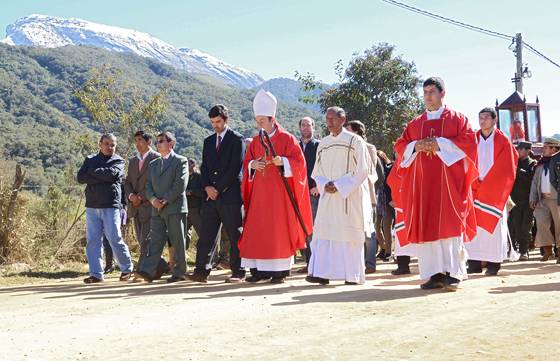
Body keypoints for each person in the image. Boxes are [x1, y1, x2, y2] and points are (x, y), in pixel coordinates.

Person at [390, 77, 478, 291]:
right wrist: (415, 146)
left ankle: (454, 273)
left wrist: (439, 144)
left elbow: (469, 142)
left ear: (442, 94)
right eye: (425, 92)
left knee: (449, 226)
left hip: (449, 185)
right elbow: (400, 146)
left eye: (432, 92)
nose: (428, 96)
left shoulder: (458, 119)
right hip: (422, 186)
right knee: (427, 225)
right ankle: (434, 273)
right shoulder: (415, 123)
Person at [238, 89, 313, 284]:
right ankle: (258, 269)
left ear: (272, 119)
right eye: (257, 120)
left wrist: (285, 162)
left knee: (277, 231)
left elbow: (300, 164)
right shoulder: (255, 141)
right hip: (259, 196)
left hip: (280, 196)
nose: (259, 124)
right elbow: (247, 163)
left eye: (262, 120)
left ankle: (278, 271)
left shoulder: (287, 139)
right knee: (257, 230)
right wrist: (252, 165)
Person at [305, 108, 373, 285]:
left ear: (342, 119)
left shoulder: (355, 141)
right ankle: (322, 273)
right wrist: (324, 184)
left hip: (348, 197)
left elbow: (363, 170)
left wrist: (340, 184)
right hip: (328, 197)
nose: (329, 122)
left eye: (333, 118)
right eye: (327, 118)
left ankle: (352, 276)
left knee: (348, 236)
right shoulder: (324, 143)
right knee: (325, 234)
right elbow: (317, 172)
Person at [188, 104, 246, 283]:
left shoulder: (237, 139)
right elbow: (204, 167)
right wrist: (207, 187)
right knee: (206, 236)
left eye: (218, 122)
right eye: (212, 122)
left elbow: (235, 168)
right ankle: (201, 272)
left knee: (235, 234)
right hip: (210, 197)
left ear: (226, 120)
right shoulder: (208, 141)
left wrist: (218, 189)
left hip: (230, 196)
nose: (215, 125)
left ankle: (238, 271)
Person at [465, 108, 518, 276]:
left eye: (487, 118)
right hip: (474, 189)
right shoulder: (473, 139)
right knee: (473, 226)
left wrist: (489, 183)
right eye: (480, 118)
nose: (482, 121)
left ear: (494, 120)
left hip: (495, 190)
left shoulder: (503, 140)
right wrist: (474, 181)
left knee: (494, 229)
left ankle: (494, 264)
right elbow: (465, 161)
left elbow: (508, 165)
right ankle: (474, 263)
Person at [77, 133, 133, 284]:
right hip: (92, 206)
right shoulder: (90, 159)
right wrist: (101, 173)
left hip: (111, 205)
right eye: (107, 144)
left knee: (114, 238)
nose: (110, 147)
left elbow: (112, 174)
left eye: (113, 145)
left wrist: (92, 172)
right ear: (100, 144)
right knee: (93, 241)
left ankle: (126, 269)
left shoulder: (118, 161)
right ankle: (96, 274)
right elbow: (81, 177)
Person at [136, 132, 189, 283]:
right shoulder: (153, 164)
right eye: (157, 141)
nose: (158, 144)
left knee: (177, 240)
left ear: (171, 143)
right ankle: (147, 271)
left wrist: (165, 200)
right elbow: (148, 186)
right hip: (156, 208)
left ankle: (179, 272)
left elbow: (180, 184)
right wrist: (153, 200)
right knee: (155, 240)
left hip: (174, 207)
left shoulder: (180, 161)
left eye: (161, 141)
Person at [124, 130, 170, 280]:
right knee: (141, 239)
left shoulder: (156, 158)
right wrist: (131, 196)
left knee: (146, 240)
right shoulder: (132, 160)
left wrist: (141, 197)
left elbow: (156, 183)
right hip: (135, 207)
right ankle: (162, 265)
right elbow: (128, 182)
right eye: (135, 140)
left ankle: (142, 271)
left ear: (149, 142)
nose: (137, 143)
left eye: (140, 140)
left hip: (150, 205)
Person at [345, 120, 380, 274]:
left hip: (367, 195)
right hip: (349, 195)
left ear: (357, 131)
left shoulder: (369, 148)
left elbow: (371, 171)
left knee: (369, 231)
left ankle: (370, 263)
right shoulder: (345, 147)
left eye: (348, 129)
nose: (345, 132)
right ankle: (355, 263)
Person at [529, 137, 560, 262]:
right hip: (542, 199)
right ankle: (548, 251)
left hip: (556, 199)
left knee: (559, 225)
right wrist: (533, 198)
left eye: (546, 147)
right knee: (541, 223)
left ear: (553, 149)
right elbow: (535, 182)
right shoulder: (540, 164)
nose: (543, 149)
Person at [298, 116, 320, 272]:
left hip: (313, 193)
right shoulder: (294, 146)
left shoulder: (319, 146)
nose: (306, 128)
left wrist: (317, 186)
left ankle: (315, 263)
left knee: (312, 228)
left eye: (309, 125)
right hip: (297, 193)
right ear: (299, 128)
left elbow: (323, 167)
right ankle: (307, 262)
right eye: (303, 125)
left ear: (313, 127)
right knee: (301, 228)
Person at [508, 141, 537, 260]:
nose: (519, 151)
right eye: (518, 149)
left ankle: (524, 251)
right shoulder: (513, 162)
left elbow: (532, 181)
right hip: (514, 200)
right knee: (514, 225)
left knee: (526, 226)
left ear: (528, 150)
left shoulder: (532, 164)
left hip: (527, 200)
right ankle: (513, 249)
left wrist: (518, 171)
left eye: (521, 149)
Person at [185, 158, 204, 252]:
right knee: (183, 234)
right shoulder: (183, 176)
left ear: (193, 165)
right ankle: (182, 257)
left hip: (196, 210)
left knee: (203, 234)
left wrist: (191, 192)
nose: (185, 165)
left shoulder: (199, 176)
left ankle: (211, 258)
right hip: (185, 209)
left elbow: (203, 192)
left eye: (187, 163)